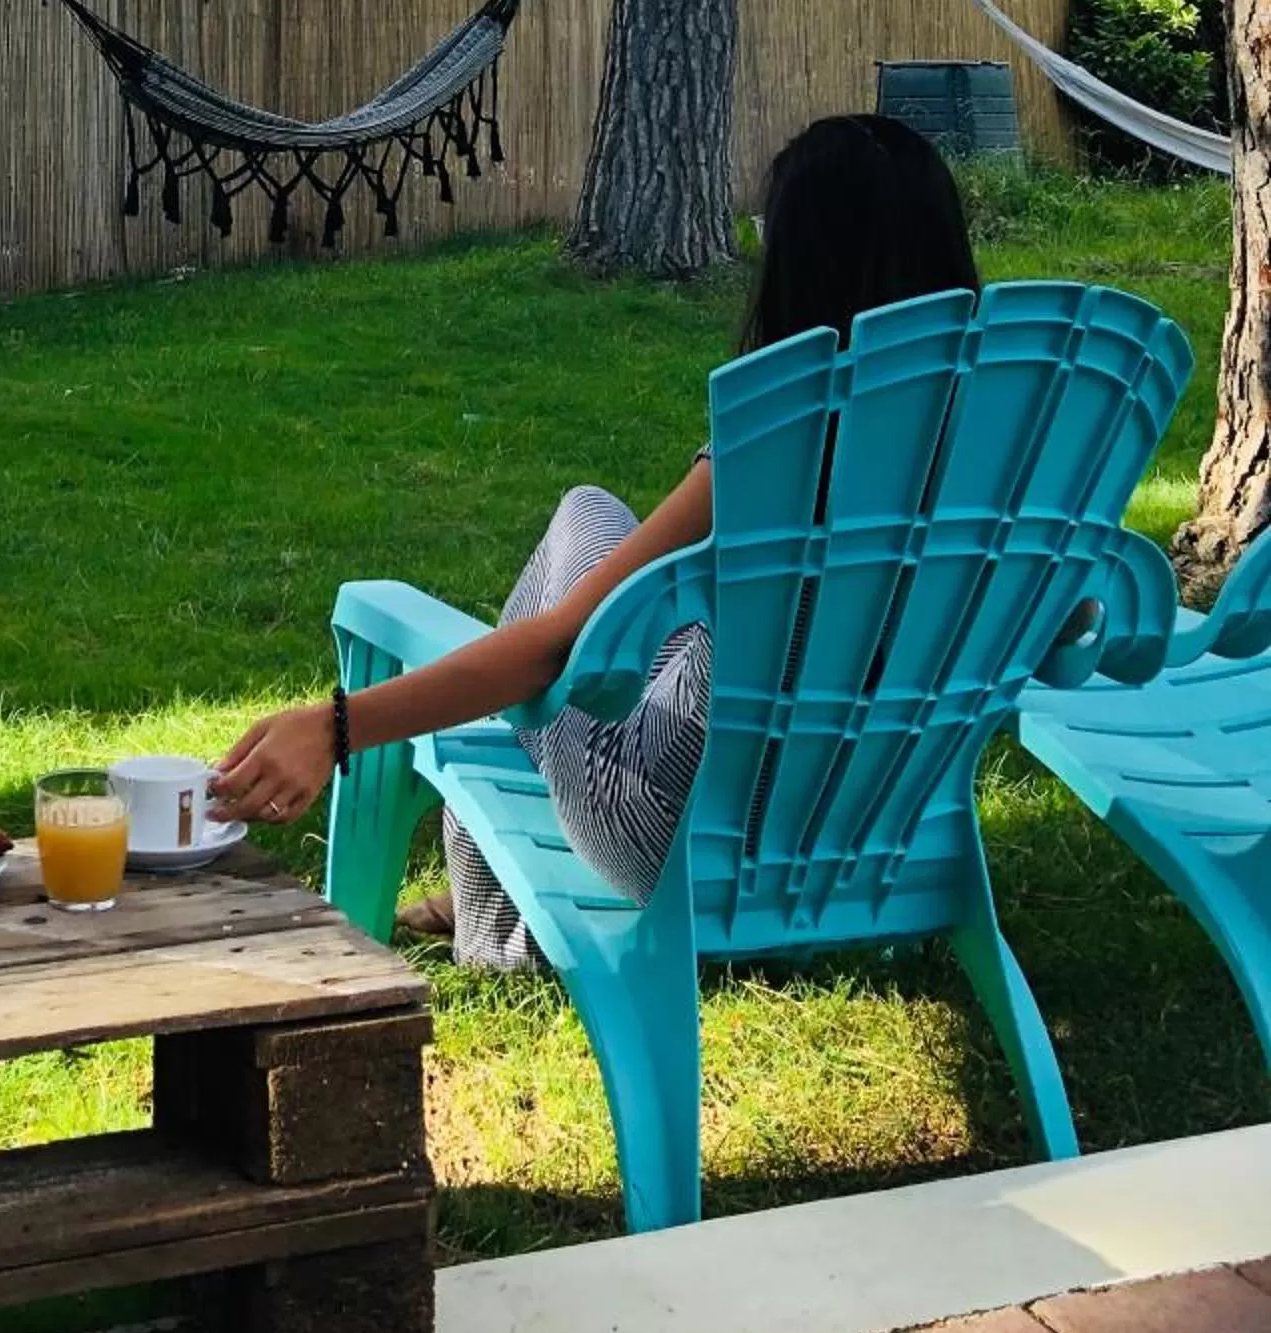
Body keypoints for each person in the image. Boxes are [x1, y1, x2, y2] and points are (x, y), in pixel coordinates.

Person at [209, 114, 980, 966]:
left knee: (570, 574)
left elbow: (552, 653)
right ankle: (490, 902)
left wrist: (338, 725)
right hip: (883, 811)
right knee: (596, 523)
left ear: (803, 266)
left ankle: (499, 929)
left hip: (681, 822)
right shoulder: (1018, 450)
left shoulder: (777, 449)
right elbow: (1059, 625)